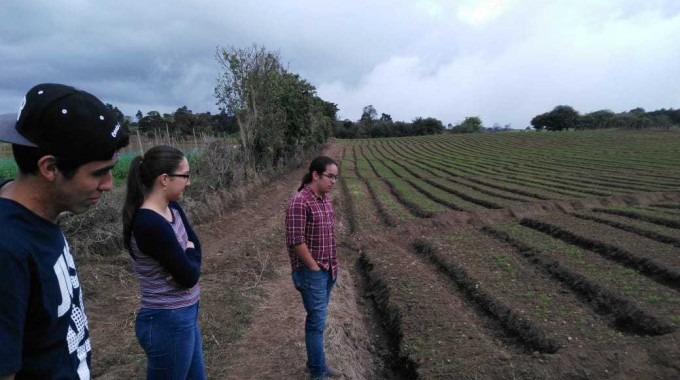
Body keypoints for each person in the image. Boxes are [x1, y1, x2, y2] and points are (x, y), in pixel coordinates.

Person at [0, 83, 130, 380]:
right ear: (49, 168)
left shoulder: (37, 216)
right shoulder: (7, 250)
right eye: (98, 172)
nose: (109, 184)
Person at [121, 145, 205, 380]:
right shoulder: (149, 223)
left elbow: (195, 245)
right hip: (168, 320)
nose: (188, 182)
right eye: (185, 175)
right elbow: (189, 276)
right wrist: (188, 258)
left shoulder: (173, 208)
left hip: (184, 314)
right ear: (165, 179)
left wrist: (188, 257)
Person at [285, 156, 342, 380]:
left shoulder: (325, 199)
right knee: (316, 324)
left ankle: (316, 365)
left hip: (330, 270)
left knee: (318, 321)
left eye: (336, 178)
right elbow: (296, 241)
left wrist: (329, 268)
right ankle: (318, 373)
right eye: (330, 176)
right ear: (315, 175)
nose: (334, 182)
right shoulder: (300, 201)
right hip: (312, 274)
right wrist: (314, 268)